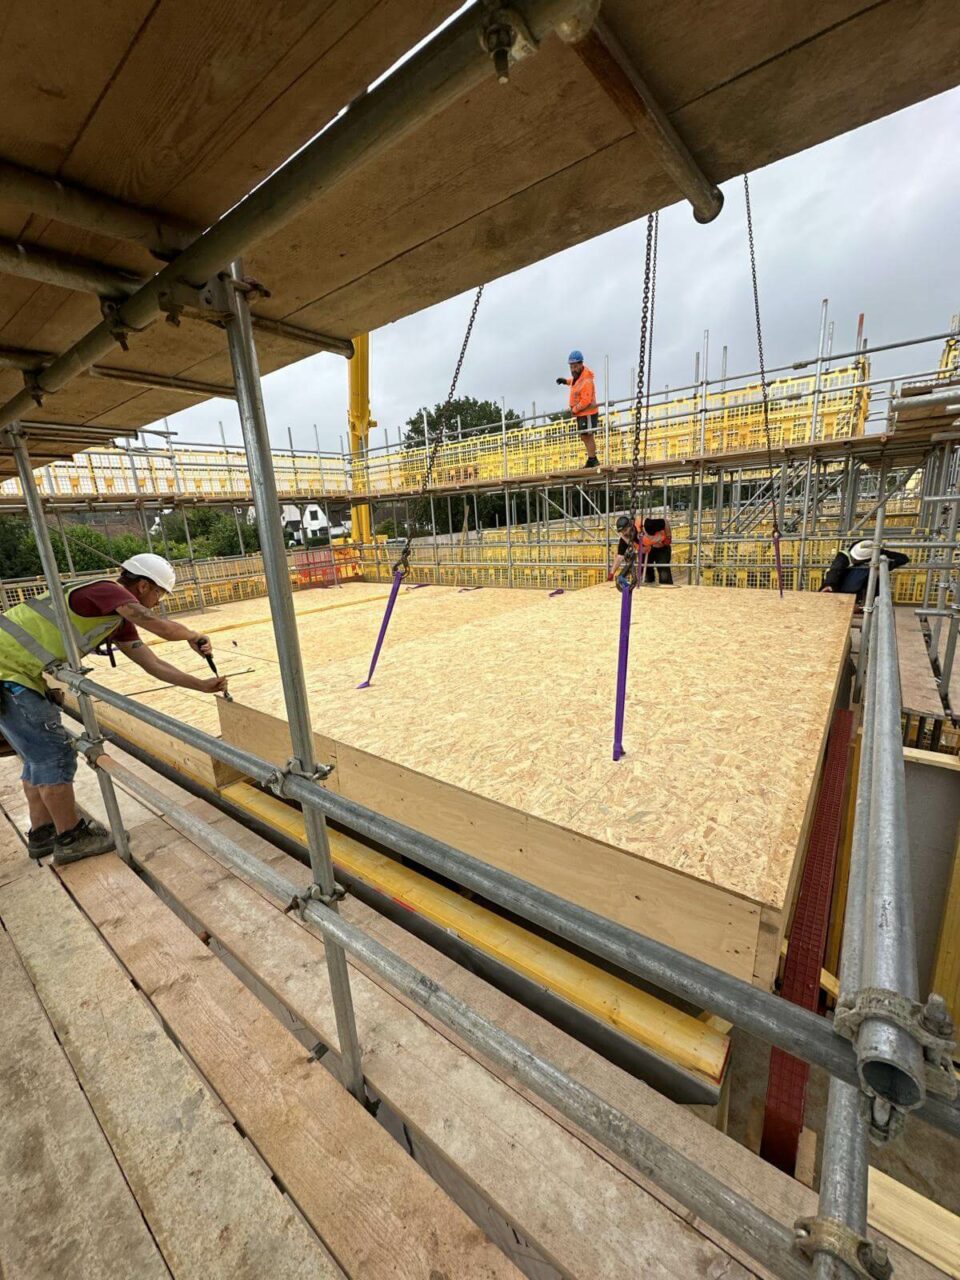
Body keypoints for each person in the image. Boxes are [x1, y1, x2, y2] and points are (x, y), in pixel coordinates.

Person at [0, 554, 227, 865]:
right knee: (53, 756)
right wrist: (193, 634)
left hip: (15, 673)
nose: (157, 602)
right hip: (8, 672)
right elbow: (158, 626)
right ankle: (71, 837)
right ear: (144, 585)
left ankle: (43, 833)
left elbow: (154, 664)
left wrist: (200, 685)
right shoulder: (107, 591)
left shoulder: (115, 619)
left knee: (36, 756)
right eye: (158, 593)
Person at [819, 540, 910, 604]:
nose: (854, 560)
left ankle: (866, 605)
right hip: (837, 586)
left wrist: (882, 565)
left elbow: (903, 558)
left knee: (872, 573)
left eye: (857, 560)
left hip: (856, 589)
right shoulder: (843, 557)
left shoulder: (874, 554)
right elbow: (835, 570)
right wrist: (829, 585)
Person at [557, 349, 600, 468]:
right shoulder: (579, 376)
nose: (573, 369)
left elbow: (586, 400)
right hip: (582, 414)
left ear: (581, 364)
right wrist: (565, 381)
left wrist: (574, 409)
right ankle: (591, 458)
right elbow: (574, 382)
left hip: (588, 413)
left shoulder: (587, 380)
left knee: (588, 435)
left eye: (575, 366)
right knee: (583, 435)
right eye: (571, 366)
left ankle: (593, 459)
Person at [641, 515, 673, 585]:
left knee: (663, 572)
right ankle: (649, 589)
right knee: (646, 571)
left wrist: (668, 536)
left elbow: (665, 522)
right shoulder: (637, 529)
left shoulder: (650, 524)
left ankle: (666, 590)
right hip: (648, 547)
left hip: (662, 546)